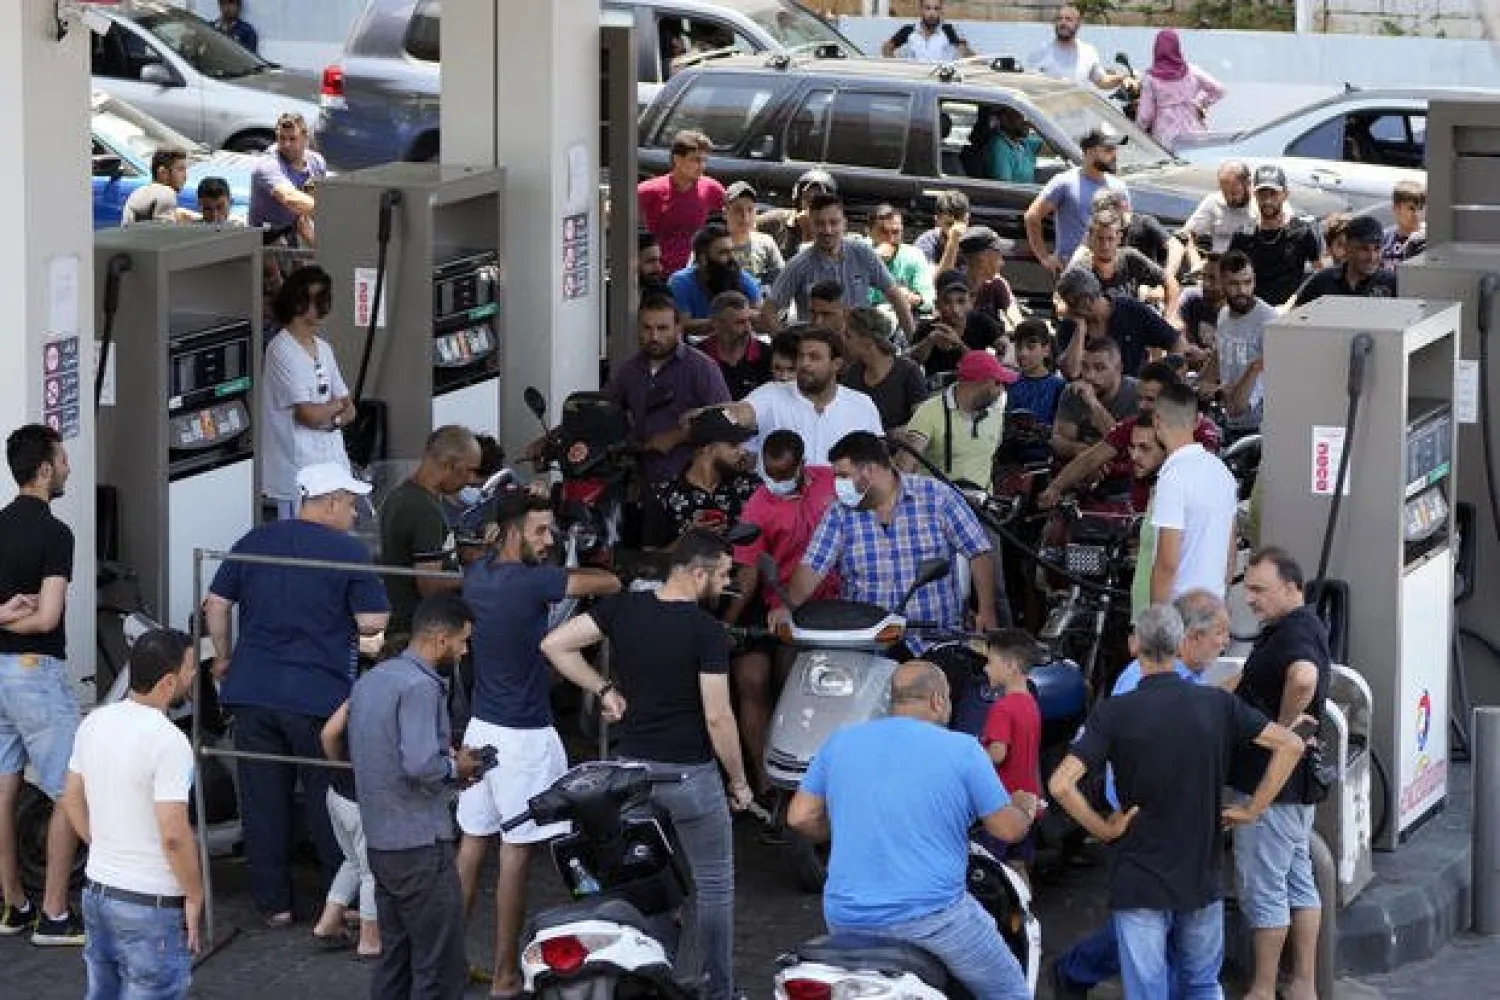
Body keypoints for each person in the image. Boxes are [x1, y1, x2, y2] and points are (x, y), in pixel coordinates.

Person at [1048, 603, 1305, 1000]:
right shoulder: (1215, 704)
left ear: (1136, 645)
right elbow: (1290, 744)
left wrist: (1102, 828)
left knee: (1148, 991)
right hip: (1200, 871)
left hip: (1138, 873)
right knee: (1202, 984)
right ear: (1181, 643)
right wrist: (1254, 808)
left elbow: (1061, 784)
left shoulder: (1115, 713)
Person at [542, 531, 754, 1000]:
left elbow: (555, 645)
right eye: (722, 575)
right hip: (691, 776)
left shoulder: (624, 609)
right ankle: (719, 989)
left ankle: (647, 979)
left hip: (630, 777)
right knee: (715, 887)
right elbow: (718, 716)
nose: (725, 586)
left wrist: (602, 689)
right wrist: (739, 780)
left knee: (643, 880)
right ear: (697, 572)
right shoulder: (705, 631)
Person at [203, 462, 391, 927]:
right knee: (332, 799)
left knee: (263, 800)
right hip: (318, 696)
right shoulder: (348, 553)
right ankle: (338, 901)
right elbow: (374, 623)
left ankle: (275, 906)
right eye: (350, 504)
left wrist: (224, 658)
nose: (354, 513)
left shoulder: (254, 541)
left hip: (252, 691)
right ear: (328, 502)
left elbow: (216, 604)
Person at [788, 662, 1039, 1000]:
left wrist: (845, 826)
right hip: (933, 918)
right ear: (938, 700)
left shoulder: (841, 741)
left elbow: (800, 817)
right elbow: (1007, 830)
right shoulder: (963, 750)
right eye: (949, 699)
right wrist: (1024, 808)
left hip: (846, 917)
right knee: (1011, 992)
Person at [454, 493, 619, 995]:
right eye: (542, 532)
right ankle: (505, 977)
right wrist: (607, 568)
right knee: (514, 855)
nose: (549, 543)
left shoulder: (477, 574)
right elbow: (605, 582)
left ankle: (447, 965)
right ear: (511, 532)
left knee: (471, 847)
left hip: (480, 728)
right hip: (522, 737)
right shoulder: (533, 582)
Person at [1051, 589, 1234, 996]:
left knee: (1146, 942)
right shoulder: (1141, 685)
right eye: (1220, 632)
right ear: (1187, 637)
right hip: (1146, 832)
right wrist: (1105, 828)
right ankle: (1073, 971)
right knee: (1159, 960)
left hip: (1163, 838)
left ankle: (1073, 972)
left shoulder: (1194, 685)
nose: (1226, 641)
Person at [348, 594, 483, 1000]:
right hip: (420, 845)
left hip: (383, 842)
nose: (464, 650)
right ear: (441, 639)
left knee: (396, 959)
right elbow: (421, 765)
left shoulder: (373, 679)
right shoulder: (420, 687)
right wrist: (456, 769)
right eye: (462, 641)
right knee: (438, 969)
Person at [60, 629, 201, 998]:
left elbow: (71, 797)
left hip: (98, 892)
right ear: (169, 682)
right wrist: (195, 895)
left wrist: (102, 841)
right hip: (149, 902)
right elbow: (173, 833)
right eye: (189, 668)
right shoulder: (169, 741)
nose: (194, 675)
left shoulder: (94, 722)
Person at [1224, 547, 1332, 1000]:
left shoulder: (1294, 635)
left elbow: (1303, 678)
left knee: (1265, 885)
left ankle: (1264, 989)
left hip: (1272, 787)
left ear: (1292, 588)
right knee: (1296, 878)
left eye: (1259, 590)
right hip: (1294, 782)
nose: (1250, 599)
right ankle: (1303, 984)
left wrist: (1281, 729)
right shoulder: (1292, 627)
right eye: (1247, 588)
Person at [783, 431, 1000, 637]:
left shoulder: (937, 496)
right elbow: (813, 566)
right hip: (867, 641)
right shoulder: (839, 513)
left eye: (843, 476)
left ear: (869, 471)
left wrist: (987, 610)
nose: (837, 485)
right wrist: (786, 607)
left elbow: (978, 551)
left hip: (932, 638)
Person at [0, 424, 83, 945]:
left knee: (2, 791)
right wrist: (18, 619)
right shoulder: (56, 534)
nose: (69, 467)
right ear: (46, 469)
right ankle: (53, 914)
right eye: (64, 459)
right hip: (34, 673)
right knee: (69, 792)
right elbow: (47, 618)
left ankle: (13, 906)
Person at [725, 431, 839, 793]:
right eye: (768, 475)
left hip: (832, 606)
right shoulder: (758, 505)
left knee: (802, 687)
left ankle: (814, 784)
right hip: (775, 602)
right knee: (753, 678)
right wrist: (726, 623)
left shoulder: (832, 481)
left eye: (783, 476)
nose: (775, 483)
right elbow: (748, 571)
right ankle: (765, 784)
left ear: (803, 466)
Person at [1043, 360, 1219, 512]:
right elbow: (1091, 458)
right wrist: (1055, 488)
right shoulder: (1135, 424)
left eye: (1150, 399)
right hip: (1140, 518)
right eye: (1139, 398)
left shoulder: (1203, 432)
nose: (1141, 406)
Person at [603, 290, 732, 494]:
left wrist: (679, 436)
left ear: (678, 328)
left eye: (662, 328)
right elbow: (602, 408)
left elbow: (728, 420)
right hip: (644, 484)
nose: (654, 336)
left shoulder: (702, 368)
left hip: (693, 487)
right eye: (647, 328)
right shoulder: (629, 371)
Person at [260, 264, 356, 516]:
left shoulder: (324, 348)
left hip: (333, 464)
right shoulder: (280, 350)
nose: (325, 307)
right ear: (299, 303)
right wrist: (336, 409)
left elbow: (350, 407)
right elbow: (308, 415)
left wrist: (330, 414)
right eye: (319, 300)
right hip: (298, 471)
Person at [717, 327, 883, 465]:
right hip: (778, 501)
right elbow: (739, 413)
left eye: (814, 357)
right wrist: (710, 418)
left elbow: (878, 461)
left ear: (836, 365)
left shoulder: (862, 405)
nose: (804, 364)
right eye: (801, 356)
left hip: (842, 502)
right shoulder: (771, 394)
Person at [765, 194, 917, 342]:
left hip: (860, 346)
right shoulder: (799, 265)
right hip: (821, 352)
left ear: (844, 223)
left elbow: (896, 296)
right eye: (820, 223)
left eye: (833, 222)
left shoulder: (863, 254)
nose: (827, 230)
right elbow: (767, 313)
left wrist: (913, 342)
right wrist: (790, 349)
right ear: (811, 225)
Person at [379, 425, 479, 649]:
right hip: (419, 637)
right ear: (452, 466)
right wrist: (477, 579)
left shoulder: (401, 496)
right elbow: (430, 584)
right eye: (470, 470)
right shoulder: (423, 509)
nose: (472, 479)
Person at [1148, 382, 1238, 602]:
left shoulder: (1173, 479)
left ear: (1156, 420)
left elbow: (1167, 563)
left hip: (1181, 614)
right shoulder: (1221, 471)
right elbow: (1230, 550)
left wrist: (1157, 623)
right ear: (1196, 421)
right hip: (1214, 607)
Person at [314, 700, 381, 958]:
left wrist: (340, 767)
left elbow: (328, 734)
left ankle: (328, 923)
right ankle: (370, 939)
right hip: (362, 801)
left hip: (338, 793)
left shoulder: (360, 691)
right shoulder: (402, 692)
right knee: (371, 871)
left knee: (353, 861)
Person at [977, 630, 1044, 876]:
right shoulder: (1030, 703)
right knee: (1018, 866)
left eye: (990, 662)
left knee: (989, 869)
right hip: (1029, 803)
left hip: (1004, 805)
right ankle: (1025, 913)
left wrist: (972, 754)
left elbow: (998, 754)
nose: (986, 669)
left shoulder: (1002, 708)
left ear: (1011, 666)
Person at [905, 350, 1016, 488]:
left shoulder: (996, 414)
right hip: (938, 504)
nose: (1002, 390)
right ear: (980, 383)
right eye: (998, 383)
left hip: (981, 505)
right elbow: (905, 466)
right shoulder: (929, 412)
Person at [1054, 267, 1189, 380]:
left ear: (1087, 300)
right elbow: (1071, 372)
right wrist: (1079, 331)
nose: (1069, 310)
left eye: (1071, 304)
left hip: (1131, 393)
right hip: (1087, 395)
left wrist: (1162, 378)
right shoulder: (1069, 325)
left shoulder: (1130, 310)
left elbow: (1177, 343)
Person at [1025, 128, 1131, 271]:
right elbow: (1032, 217)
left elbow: (1126, 228)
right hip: (1073, 272)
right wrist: (1044, 257)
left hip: (1109, 273)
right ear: (1089, 152)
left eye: (1115, 149)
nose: (1114, 155)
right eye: (1108, 149)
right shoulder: (1064, 182)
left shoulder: (1119, 187)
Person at [1198, 249, 1271, 437]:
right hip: (1229, 419)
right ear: (1222, 282)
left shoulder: (1269, 320)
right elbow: (1219, 352)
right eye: (1234, 284)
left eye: (1248, 282)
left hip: (1259, 426)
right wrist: (1203, 383)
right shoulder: (1223, 314)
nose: (1242, 291)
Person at [1227, 165, 1323, 307]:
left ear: (1285, 194)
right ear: (1255, 196)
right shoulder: (1243, 234)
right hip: (1252, 310)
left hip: (1290, 311)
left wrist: (1296, 299)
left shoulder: (1301, 232)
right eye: (1262, 194)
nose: (1267, 201)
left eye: (1273, 194)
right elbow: (1230, 274)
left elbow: (1317, 271)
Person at [655, 409, 759, 537]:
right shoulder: (665, 495)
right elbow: (651, 554)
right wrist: (692, 537)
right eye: (733, 444)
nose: (742, 451)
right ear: (708, 448)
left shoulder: (750, 486)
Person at [638, 130, 725, 273]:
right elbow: (615, 209)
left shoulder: (710, 187)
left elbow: (735, 211)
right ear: (677, 160)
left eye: (704, 161)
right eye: (696, 160)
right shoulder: (652, 189)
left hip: (694, 273)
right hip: (659, 272)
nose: (702, 166)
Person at [1050, 338, 1140, 462]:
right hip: (1081, 468)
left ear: (1119, 368)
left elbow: (1127, 448)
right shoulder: (1073, 392)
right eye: (1085, 367)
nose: (1089, 376)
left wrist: (1094, 404)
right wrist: (1081, 452)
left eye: (1099, 368)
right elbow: (1059, 441)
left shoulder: (1138, 394)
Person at [1072, 209, 1178, 314]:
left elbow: (1170, 281)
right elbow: (1061, 306)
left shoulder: (1130, 258)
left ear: (1119, 238)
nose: (1105, 246)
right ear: (1090, 238)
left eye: (1110, 239)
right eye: (1100, 239)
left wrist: (1169, 317)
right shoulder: (1080, 270)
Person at [841, 307, 929, 432]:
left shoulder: (908, 371)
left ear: (867, 342)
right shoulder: (852, 373)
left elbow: (924, 423)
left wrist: (894, 433)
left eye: (848, 336)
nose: (843, 340)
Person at [1136, 29, 1225, 151]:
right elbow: (1219, 90)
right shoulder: (1192, 70)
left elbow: (1145, 116)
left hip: (1165, 136)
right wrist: (1200, 103)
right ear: (1177, 47)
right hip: (1193, 132)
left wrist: (1137, 133)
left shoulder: (1151, 77)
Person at [911, 268, 1007, 378]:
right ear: (937, 305)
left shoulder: (981, 322)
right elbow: (909, 364)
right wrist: (930, 341)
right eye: (947, 302)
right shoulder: (927, 328)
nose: (955, 309)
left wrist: (959, 345)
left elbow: (1004, 353)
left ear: (971, 302)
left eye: (961, 301)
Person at [668, 222, 762, 331]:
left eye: (732, 251)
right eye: (723, 252)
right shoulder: (680, 282)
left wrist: (739, 316)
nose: (732, 258)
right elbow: (682, 324)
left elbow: (760, 315)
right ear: (703, 259)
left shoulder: (739, 276)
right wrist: (724, 320)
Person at [248, 113, 326, 244]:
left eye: (292, 139)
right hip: (264, 238)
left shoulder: (317, 162)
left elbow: (316, 198)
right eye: (281, 138)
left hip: (296, 228)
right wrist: (335, 212)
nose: (286, 144)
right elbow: (289, 198)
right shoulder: (268, 165)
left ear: (305, 139)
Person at [1291, 214, 1397, 306]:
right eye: (1364, 249)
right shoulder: (1323, 281)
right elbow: (1293, 319)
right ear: (1347, 248)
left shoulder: (1392, 283)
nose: (1372, 257)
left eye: (1377, 249)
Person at [1028, 4, 1127, 90]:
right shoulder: (1040, 52)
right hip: (1047, 110)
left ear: (1078, 24)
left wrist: (1122, 78)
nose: (1063, 23)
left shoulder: (1088, 52)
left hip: (1076, 110)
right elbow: (1028, 85)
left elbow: (1102, 81)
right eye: (1059, 19)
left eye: (1068, 19)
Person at [699, 290, 772, 400]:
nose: (748, 328)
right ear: (717, 323)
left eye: (749, 321)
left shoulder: (767, 355)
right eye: (739, 322)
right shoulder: (698, 358)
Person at [868, 204, 937, 313]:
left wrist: (911, 297)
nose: (890, 238)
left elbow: (929, 300)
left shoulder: (914, 255)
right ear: (869, 232)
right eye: (884, 232)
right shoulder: (859, 253)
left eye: (896, 232)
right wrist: (873, 260)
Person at [1182, 160, 1255, 260]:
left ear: (1248, 184)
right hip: (1219, 265)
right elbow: (1186, 235)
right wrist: (1195, 261)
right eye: (1225, 193)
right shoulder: (1213, 201)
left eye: (1234, 193)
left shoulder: (1261, 204)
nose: (1229, 199)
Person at [758, 169, 837, 261]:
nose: (811, 205)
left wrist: (809, 233)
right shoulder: (777, 220)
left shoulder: (833, 233)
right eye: (807, 198)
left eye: (818, 201)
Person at [960, 227, 1025, 330]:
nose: (1002, 263)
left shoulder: (998, 283)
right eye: (998, 254)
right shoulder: (955, 287)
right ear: (982, 258)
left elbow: (1017, 322)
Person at [1006, 319, 1067, 427]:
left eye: (1031, 347)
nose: (1022, 353)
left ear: (1046, 350)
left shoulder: (1060, 387)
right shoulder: (1008, 383)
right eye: (1018, 347)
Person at [724, 180, 784, 285]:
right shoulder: (712, 245)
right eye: (738, 210)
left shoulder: (767, 243)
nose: (745, 217)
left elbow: (781, 284)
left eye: (750, 210)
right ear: (725, 213)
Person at [881, 0, 974, 61]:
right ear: (921, 9)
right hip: (915, 81)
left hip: (941, 83)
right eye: (928, 8)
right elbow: (886, 48)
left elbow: (969, 56)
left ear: (941, 11)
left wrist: (961, 44)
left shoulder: (949, 30)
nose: (932, 13)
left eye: (936, 9)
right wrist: (898, 68)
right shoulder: (908, 30)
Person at [121, 150, 194, 226]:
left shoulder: (138, 192)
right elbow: (165, 233)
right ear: (163, 172)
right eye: (180, 170)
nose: (185, 177)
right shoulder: (166, 192)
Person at [1174, 251, 1225, 350]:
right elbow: (1176, 327)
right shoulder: (1191, 298)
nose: (1205, 284)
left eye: (1212, 278)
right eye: (1204, 277)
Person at [984, 105, 1045, 184]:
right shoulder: (999, 149)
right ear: (1004, 119)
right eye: (1021, 116)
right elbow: (1004, 191)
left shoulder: (1022, 141)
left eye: (1028, 117)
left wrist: (1040, 124)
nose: (1027, 122)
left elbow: (1057, 146)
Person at [914, 190, 970, 273]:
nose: (956, 228)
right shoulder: (925, 243)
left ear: (967, 218)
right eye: (950, 224)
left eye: (960, 222)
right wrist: (953, 241)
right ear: (937, 220)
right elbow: (936, 280)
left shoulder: (976, 242)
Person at [1382, 179, 1427, 267]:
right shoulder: (1384, 238)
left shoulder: (1426, 240)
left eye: (1421, 208)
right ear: (1396, 208)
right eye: (1411, 208)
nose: (1417, 214)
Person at [807, 280, 853, 346]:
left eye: (826, 314)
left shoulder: (859, 344)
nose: (817, 322)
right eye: (813, 312)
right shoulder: (800, 341)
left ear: (846, 312)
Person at [638, 229, 668, 295]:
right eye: (650, 261)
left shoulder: (662, 292)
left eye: (659, 260)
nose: (659, 268)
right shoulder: (611, 295)